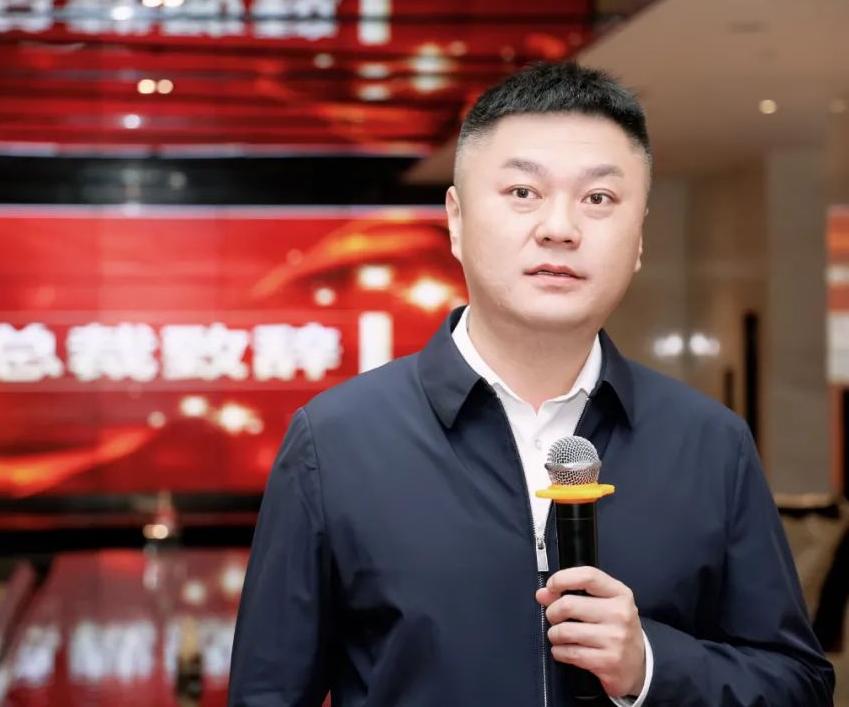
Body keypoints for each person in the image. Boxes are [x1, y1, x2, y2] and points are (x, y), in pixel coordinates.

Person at [228, 62, 835, 706]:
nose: (560, 228)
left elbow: (798, 684)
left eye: (598, 199)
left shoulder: (709, 443)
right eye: (523, 192)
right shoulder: (336, 440)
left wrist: (651, 665)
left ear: (638, 238)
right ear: (456, 220)